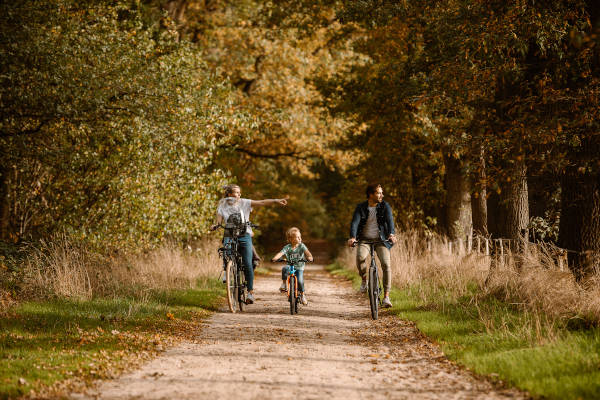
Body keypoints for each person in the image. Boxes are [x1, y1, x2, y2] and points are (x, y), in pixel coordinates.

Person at [213, 184, 288, 304]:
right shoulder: (222, 205)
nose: (238, 195)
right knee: (226, 250)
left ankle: (250, 292)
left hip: (244, 235)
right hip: (229, 233)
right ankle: (227, 271)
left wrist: (275, 201)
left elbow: (262, 202)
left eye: (239, 193)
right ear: (229, 194)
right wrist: (215, 225)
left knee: (248, 263)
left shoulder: (244, 202)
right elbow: (219, 220)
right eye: (236, 193)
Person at [347, 183, 397, 308]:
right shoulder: (361, 207)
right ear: (371, 194)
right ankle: (364, 279)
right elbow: (355, 222)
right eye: (379, 193)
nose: (382, 195)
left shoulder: (385, 206)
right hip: (364, 240)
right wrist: (353, 237)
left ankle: (386, 296)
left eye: (381, 192)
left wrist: (391, 234)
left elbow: (390, 220)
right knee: (360, 257)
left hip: (382, 240)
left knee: (386, 264)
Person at [271, 227, 313, 305]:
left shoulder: (301, 246)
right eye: (297, 237)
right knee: (284, 268)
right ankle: (284, 284)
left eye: (300, 236)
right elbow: (281, 253)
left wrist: (310, 258)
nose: (300, 238)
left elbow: (308, 253)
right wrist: (275, 258)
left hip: (299, 267)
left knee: (300, 281)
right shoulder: (287, 247)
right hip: (290, 266)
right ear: (290, 239)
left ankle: (303, 294)